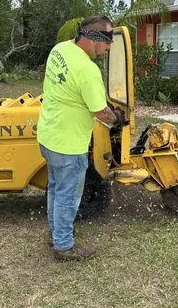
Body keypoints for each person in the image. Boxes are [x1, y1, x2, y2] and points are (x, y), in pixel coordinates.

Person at [37, 14, 120, 261]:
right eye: (108, 42)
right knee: (68, 195)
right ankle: (63, 246)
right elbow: (101, 113)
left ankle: (56, 233)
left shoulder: (60, 49)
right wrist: (117, 118)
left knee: (54, 187)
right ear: (95, 39)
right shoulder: (87, 70)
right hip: (68, 144)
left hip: (48, 135)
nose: (108, 48)